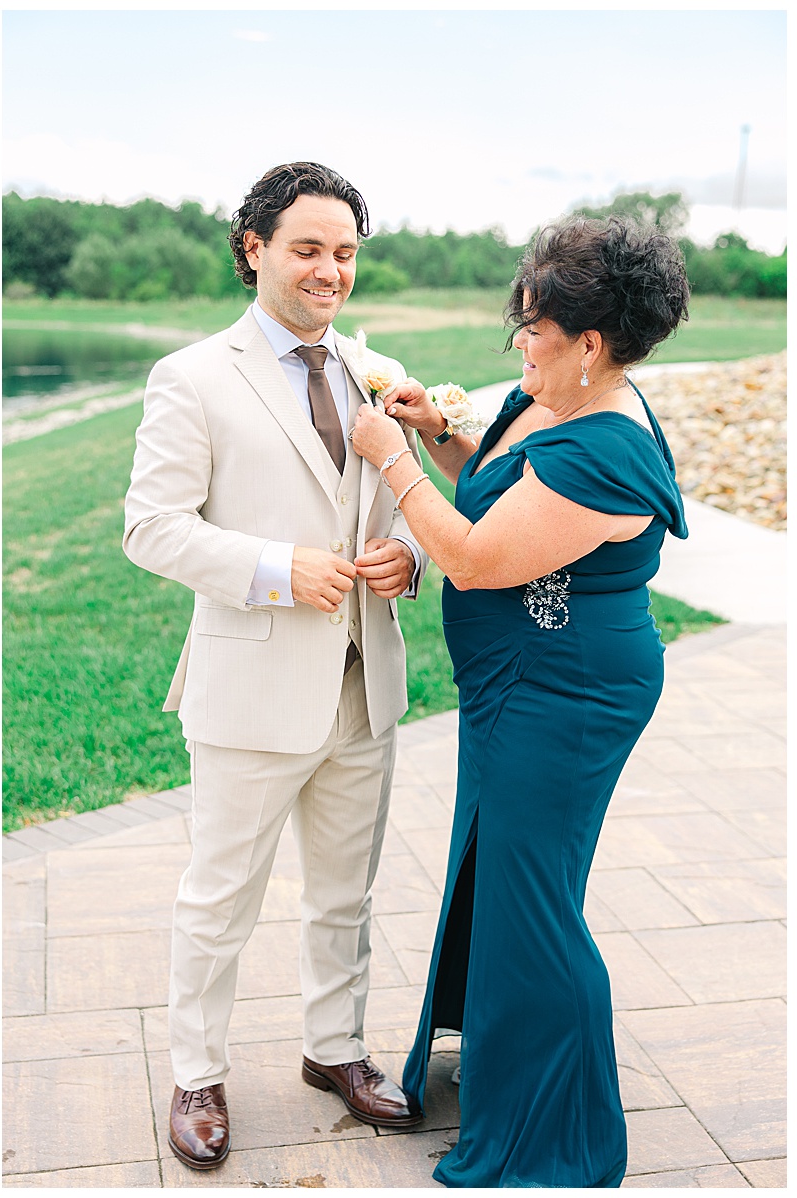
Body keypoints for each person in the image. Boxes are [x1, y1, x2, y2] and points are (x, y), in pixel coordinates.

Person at [348, 214, 690, 1186]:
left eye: (532, 326)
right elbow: (500, 488)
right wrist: (441, 436)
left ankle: (560, 1123)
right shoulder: (559, 396)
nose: (517, 341)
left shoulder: (606, 449)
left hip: (567, 693)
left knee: (535, 897)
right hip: (516, 687)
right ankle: (508, 1062)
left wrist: (391, 458)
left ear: (590, 342)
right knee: (505, 876)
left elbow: (475, 553)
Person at [122, 161, 430, 1171]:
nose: (328, 271)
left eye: (344, 252)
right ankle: (197, 1071)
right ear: (252, 249)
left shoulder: (375, 370)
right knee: (221, 897)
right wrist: (272, 568)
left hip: (363, 683)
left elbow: (401, 506)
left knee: (347, 891)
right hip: (250, 687)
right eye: (307, 249)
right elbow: (151, 530)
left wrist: (406, 558)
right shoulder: (192, 377)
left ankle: (333, 1049)